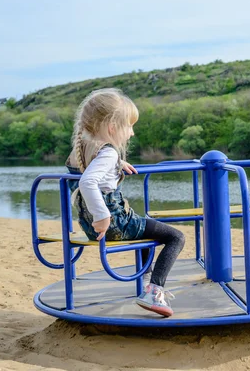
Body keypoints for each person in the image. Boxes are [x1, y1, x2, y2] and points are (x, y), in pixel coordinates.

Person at [65, 88, 185, 317]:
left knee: (147, 227)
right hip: (114, 225)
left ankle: (147, 283)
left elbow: (89, 171)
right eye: (129, 126)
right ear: (112, 127)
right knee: (176, 237)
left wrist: (117, 162)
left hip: (90, 227)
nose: (131, 133)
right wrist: (103, 216)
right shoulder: (107, 153)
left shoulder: (79, 149)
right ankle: (154, 290)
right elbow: (88, 182)